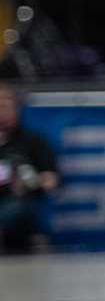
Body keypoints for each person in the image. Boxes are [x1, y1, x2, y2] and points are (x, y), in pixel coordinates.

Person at [0, 81, 61, 248]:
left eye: (6, 106)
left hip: (17, 203)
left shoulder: (32, 141)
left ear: (17, 109)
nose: (1, 112)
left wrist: (29, 182)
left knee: (16, 209)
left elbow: (51, 180)